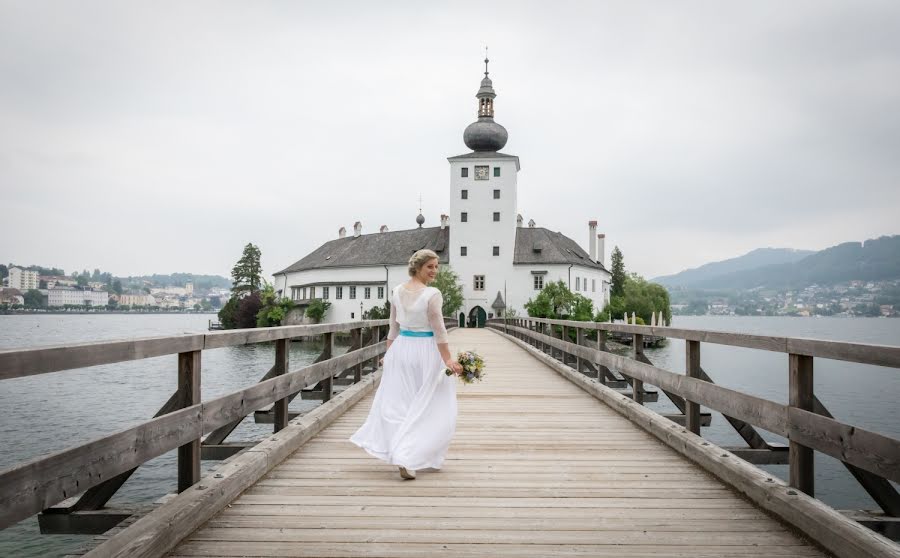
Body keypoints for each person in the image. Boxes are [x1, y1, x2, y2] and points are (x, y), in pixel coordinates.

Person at [350, 249, 463, 480]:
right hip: (425, 352)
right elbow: (439, 330)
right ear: (418, 267)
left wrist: (389, 354)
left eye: (437, 266)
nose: (435, 271)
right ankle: (408, 454)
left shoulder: (397, 291)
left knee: (401, 403)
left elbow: (393, 329)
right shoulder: (432, 294)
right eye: (430, 266)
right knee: (432, 403)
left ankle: (407, 453)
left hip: (403, 348)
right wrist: (448, 359)